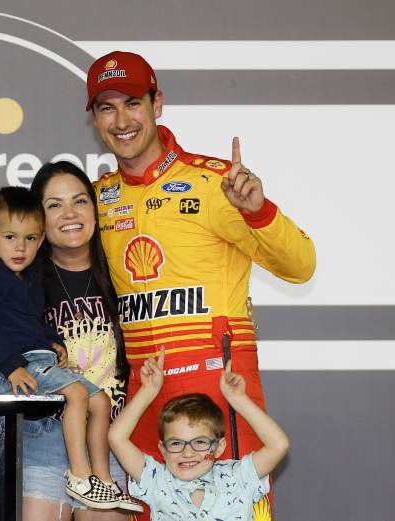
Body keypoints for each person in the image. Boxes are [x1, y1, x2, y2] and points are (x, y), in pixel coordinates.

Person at [85, 50, 316, 515]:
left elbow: (301, 266)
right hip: (145, 387)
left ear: (158, 103)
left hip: (217, 380)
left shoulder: (215, 184)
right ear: (93, 118)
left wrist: (257, 211)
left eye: (133, 102)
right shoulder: (98, 198)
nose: (121, 120)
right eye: (107, 107)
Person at [0, 186, 120, 510]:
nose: (20, 247)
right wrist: (10, 366)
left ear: (41, 240)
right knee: (78, 395)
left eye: (30, 239)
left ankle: (102, 478)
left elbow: (29, 324)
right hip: (7, 370)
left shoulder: (26, 281)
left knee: (100, 400)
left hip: (37, 361)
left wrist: (52, 341)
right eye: (10, 237)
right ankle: (80, 476)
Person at [22, 162, 142, 520]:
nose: (69, 214)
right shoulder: (22, 283)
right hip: (43, 440)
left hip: (110, 448)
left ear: (95, 208)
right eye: (54, 205)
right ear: (37, 218)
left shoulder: (125, 272)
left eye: (80, 201)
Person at [109, 347, 289, 520]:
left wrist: (239, 400)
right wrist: (147, 391)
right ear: (162, 449)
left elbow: (279, 445)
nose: (187, 453)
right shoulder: (157, 480)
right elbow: (116, 438)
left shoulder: (238, 476)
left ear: (219, 447)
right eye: (176, 443)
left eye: (200, 442)